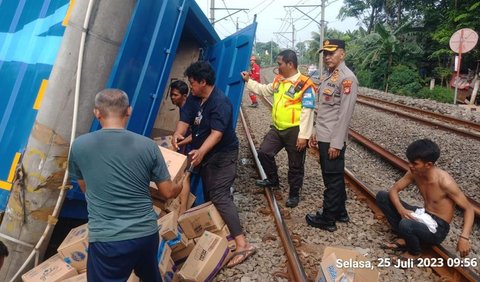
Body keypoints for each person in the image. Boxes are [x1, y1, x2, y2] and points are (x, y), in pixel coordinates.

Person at [69, 89, 183, 281]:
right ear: (129, 111)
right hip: (146, 234)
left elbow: (85, 188)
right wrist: (182, 183)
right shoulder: (148, 146)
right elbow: (167, 192)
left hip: (107, 239)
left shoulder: (79, 146)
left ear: (97, 113)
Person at [172, 61, 256, 268]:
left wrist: (200, 151)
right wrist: (177, 133)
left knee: (219, 194)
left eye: (193, 83)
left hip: (223, 154)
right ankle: (222, 234)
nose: (190, 86)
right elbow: (185, 119)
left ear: (203, 82)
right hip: (206, 154)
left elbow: (217, 135)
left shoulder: (220, 102)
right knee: (210, 195)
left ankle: (243, 244)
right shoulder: (194, 98)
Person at [376, 139, 474, 262]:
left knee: (406, 224)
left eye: (415, 163)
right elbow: (394, 190)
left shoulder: (445, 182)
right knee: (382, 197)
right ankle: (406, 237)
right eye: (409, 162)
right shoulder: (414, 172)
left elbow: (469, 209)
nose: (410, 166)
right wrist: (401, 209)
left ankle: (414, 253)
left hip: (438, 227)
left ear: (428, 165)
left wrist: (464, 238)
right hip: (424, 214)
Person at [241, 49, 316, 208]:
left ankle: (294, 194)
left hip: (295, 130)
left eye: (280, 63)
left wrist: (304, 136)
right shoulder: (279, 80)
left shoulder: (305, 84)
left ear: (290, 64)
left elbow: (308, 111)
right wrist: (248, 81)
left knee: (295, 165)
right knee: (264, 152)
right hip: (278, 128)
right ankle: (273, 180)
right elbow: (264, 90)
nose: (278, 66)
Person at [306, 39, 358, 231]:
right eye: (325, 54)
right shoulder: (330, 75)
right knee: (332, 176)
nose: (327, 57)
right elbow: (324, 109)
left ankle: (328, 218)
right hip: (324, 134)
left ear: (342, 54)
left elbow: (344, 115)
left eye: (331, 53)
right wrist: (315, 131)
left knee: (332, 178)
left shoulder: (347, 78)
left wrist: (336, 143)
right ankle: (341, 212)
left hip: (332, 138)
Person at [170, 80, 193, 214]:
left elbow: (195, 135)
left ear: (184, 96)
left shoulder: (189, 110)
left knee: (186, 176)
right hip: (187, 147)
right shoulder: (182, 107)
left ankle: (182, 211)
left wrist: (178, 143)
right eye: (172, 95)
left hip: (193, 148)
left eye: (176, 95)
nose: (173, 98)